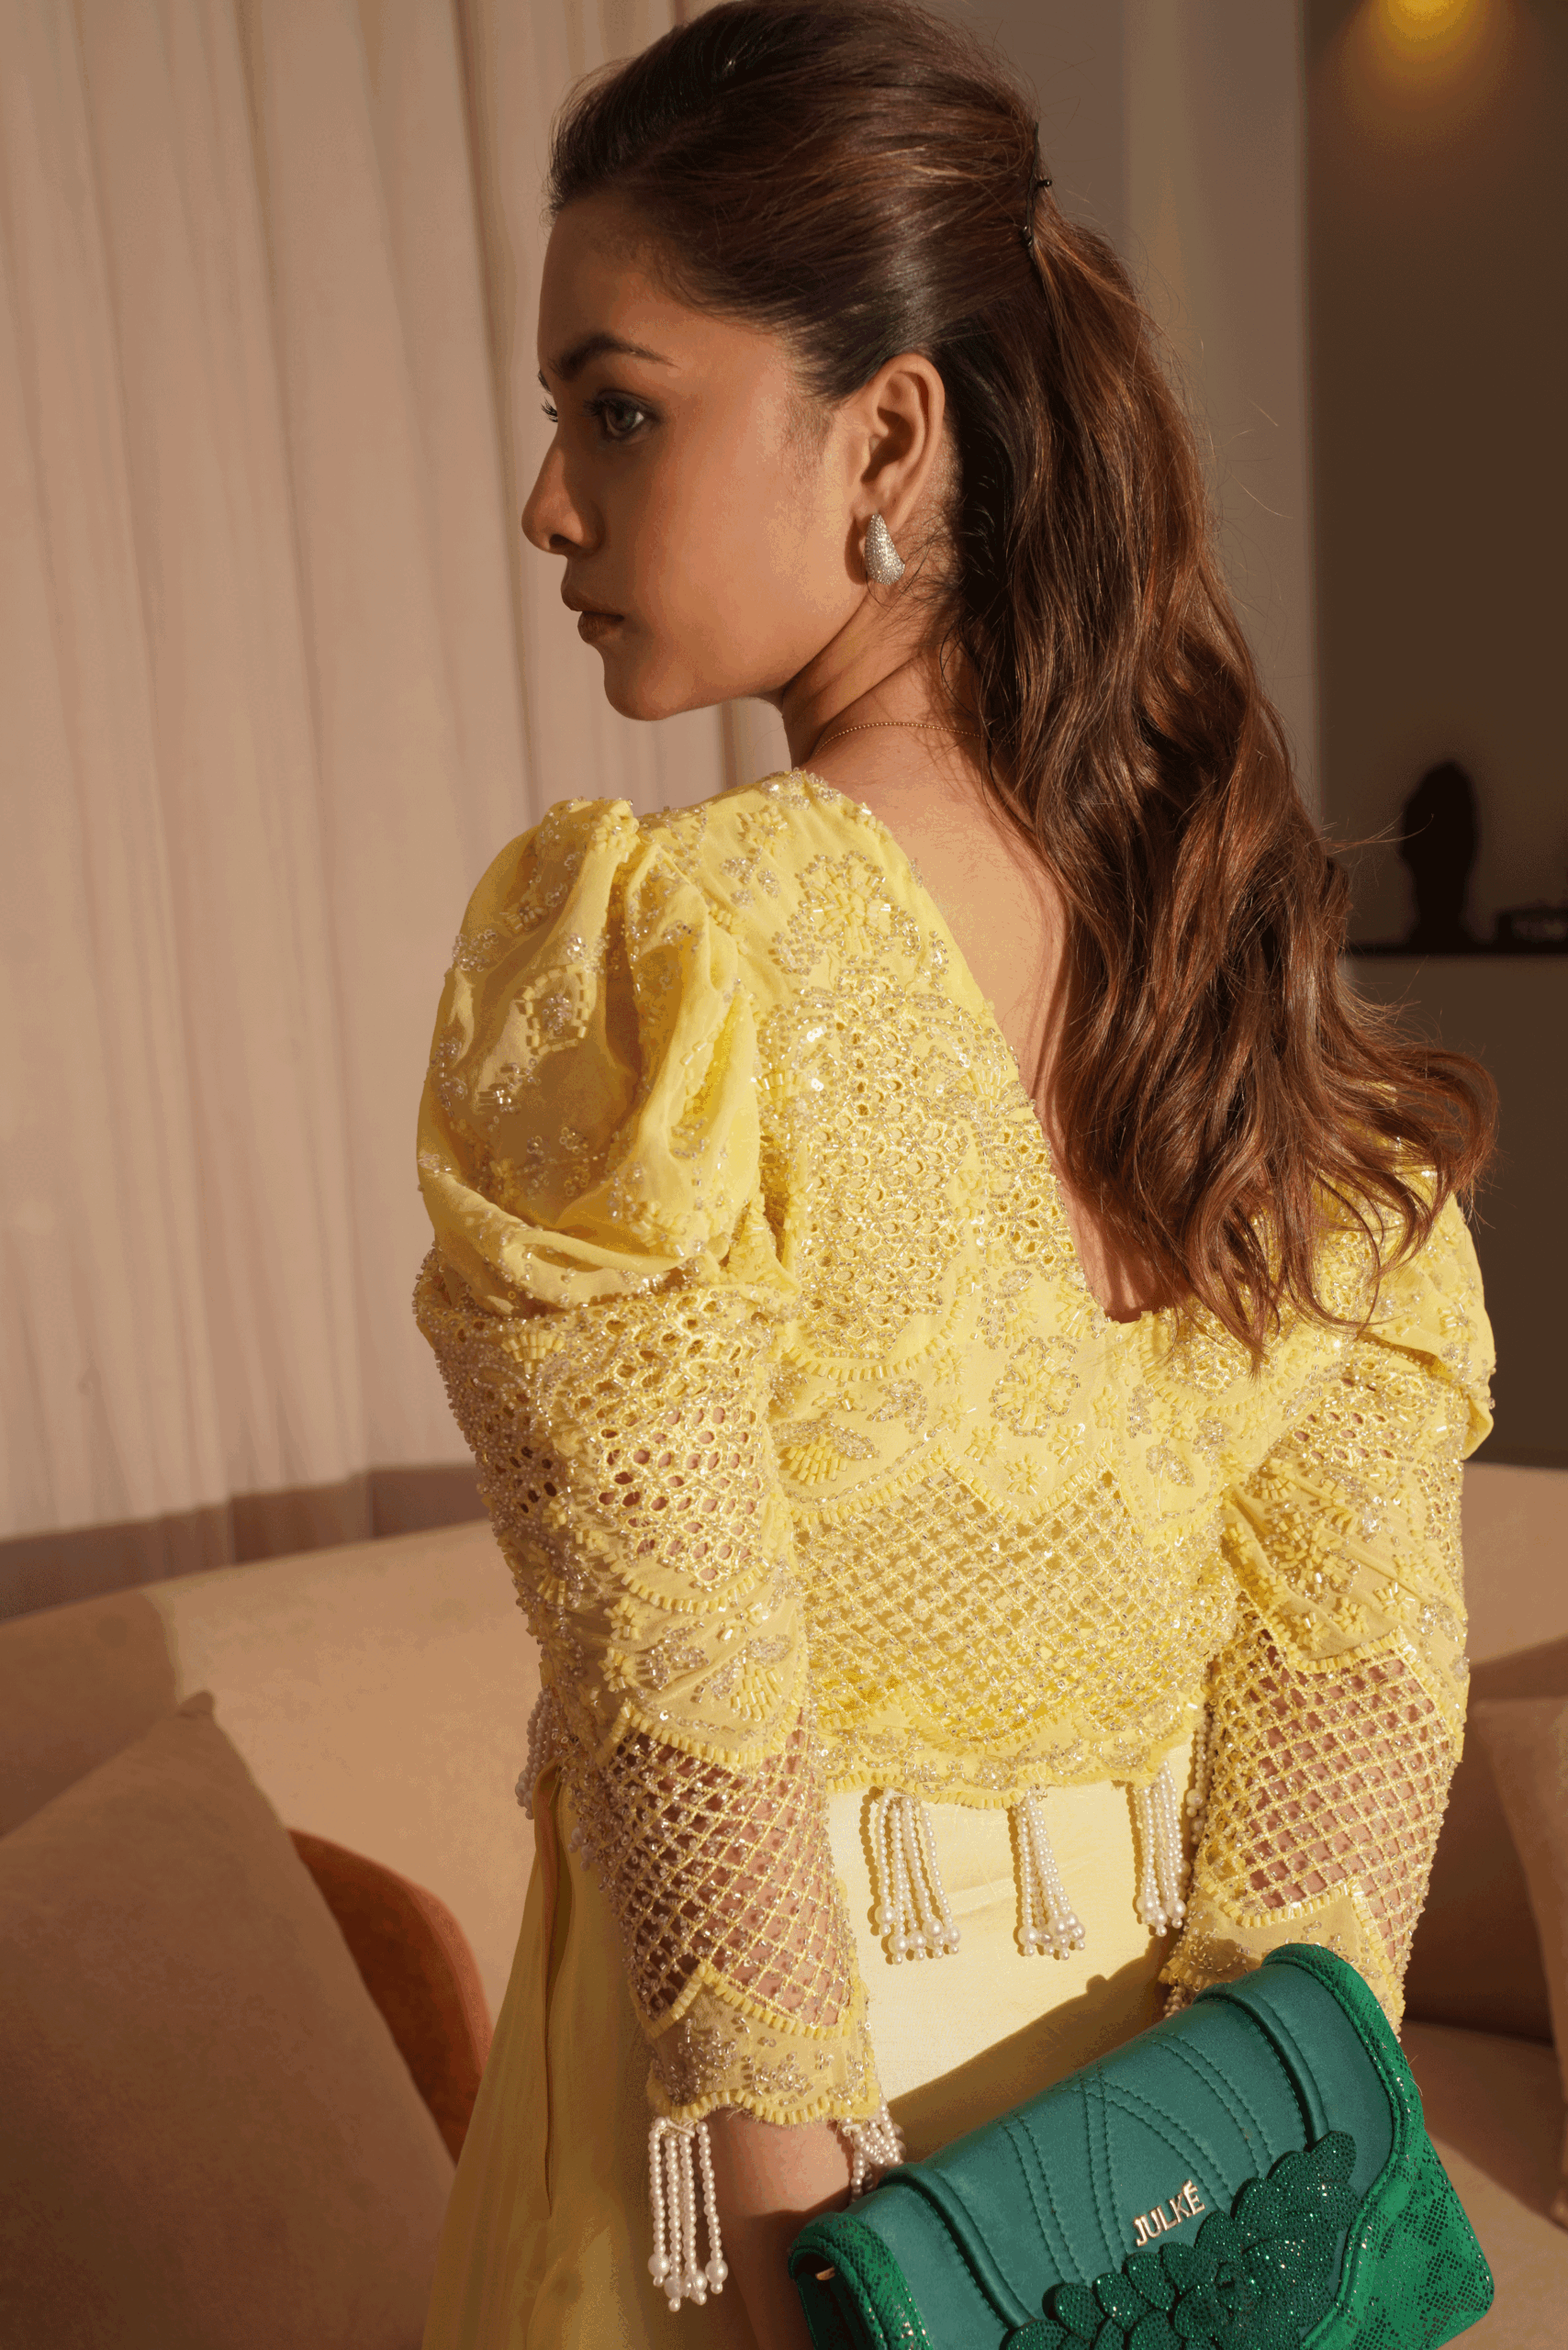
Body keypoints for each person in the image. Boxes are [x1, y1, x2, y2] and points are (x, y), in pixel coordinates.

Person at [412, 6, 1495, 2344]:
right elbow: (1354, 1667)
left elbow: (689, 1702)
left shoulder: (673, 953)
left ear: (886, 435)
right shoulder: (1224, 951)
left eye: (616, 406)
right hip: (1150, 2147)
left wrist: (822, 2270)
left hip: (801, 2179)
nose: (549, 504)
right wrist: (1249, 2183)